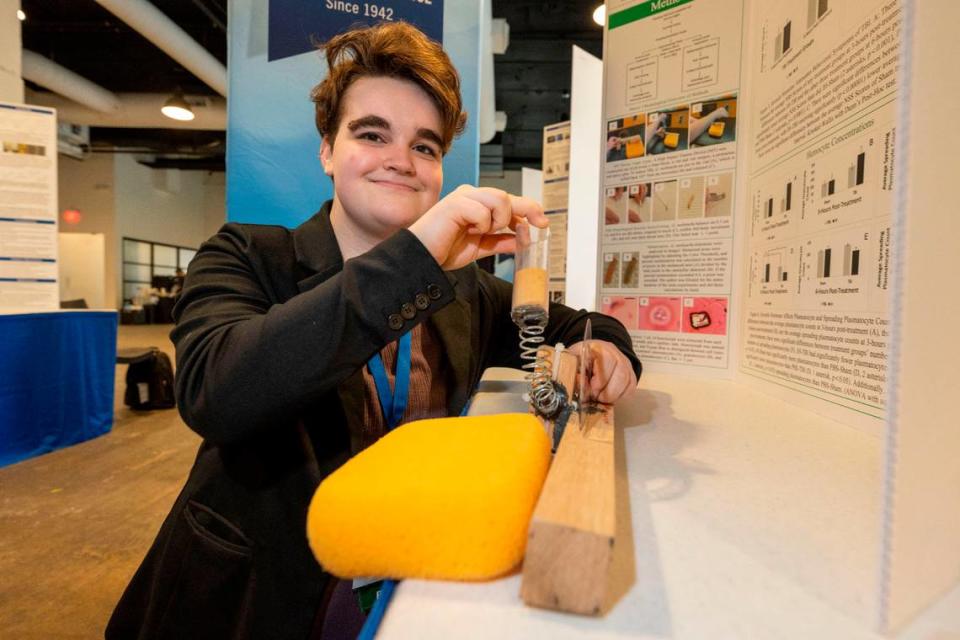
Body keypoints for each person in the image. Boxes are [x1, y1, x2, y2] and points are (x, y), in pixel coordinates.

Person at [106, 21, 641, 640]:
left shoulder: (461, 289)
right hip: (260, 599)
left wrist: (606, 346)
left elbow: (575, 322)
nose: (401, 161)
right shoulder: (249, 256)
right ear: (328, 150)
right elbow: (216, 391)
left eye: (425, 146)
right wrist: (415, 256)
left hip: (411, 584)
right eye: (371, 134)